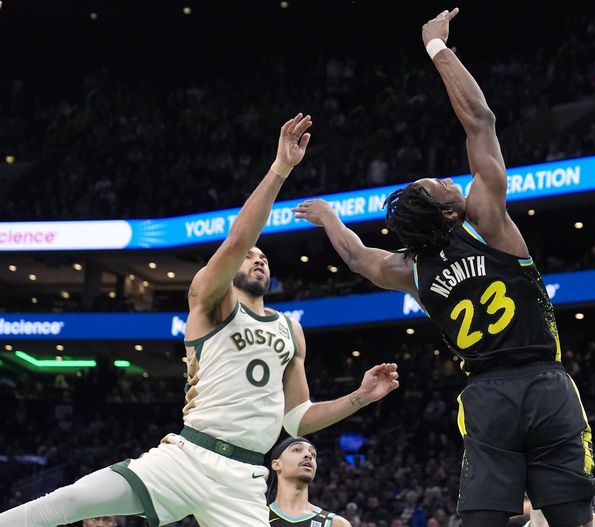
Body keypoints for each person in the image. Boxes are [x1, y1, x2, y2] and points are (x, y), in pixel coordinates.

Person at [0, 114, 400, 527]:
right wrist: (280, 169)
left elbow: (297, 418)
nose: (258, 258)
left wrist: (360, 397)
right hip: (189, 457)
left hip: (244, 479)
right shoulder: (210, 299)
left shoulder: (290, 330)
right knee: (74, 499)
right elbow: (239, 238)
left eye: (264, 258)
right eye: (251, 256)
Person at [293, 9, 595, 527]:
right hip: (546, 383)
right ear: (447, 210)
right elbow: (480, 120)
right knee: (575, 520)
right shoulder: (486, 221)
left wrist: (328, 218)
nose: (450, 180)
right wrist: (437, 47)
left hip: (485, 396)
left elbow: (356, 257)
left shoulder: (410, 268)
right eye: (441, 184)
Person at [267, 436, 352, 527]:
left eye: (313, 454)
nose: (308, 455)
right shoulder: (259, 517)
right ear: (276, 464)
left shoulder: (336, 524)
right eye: (297, 450)